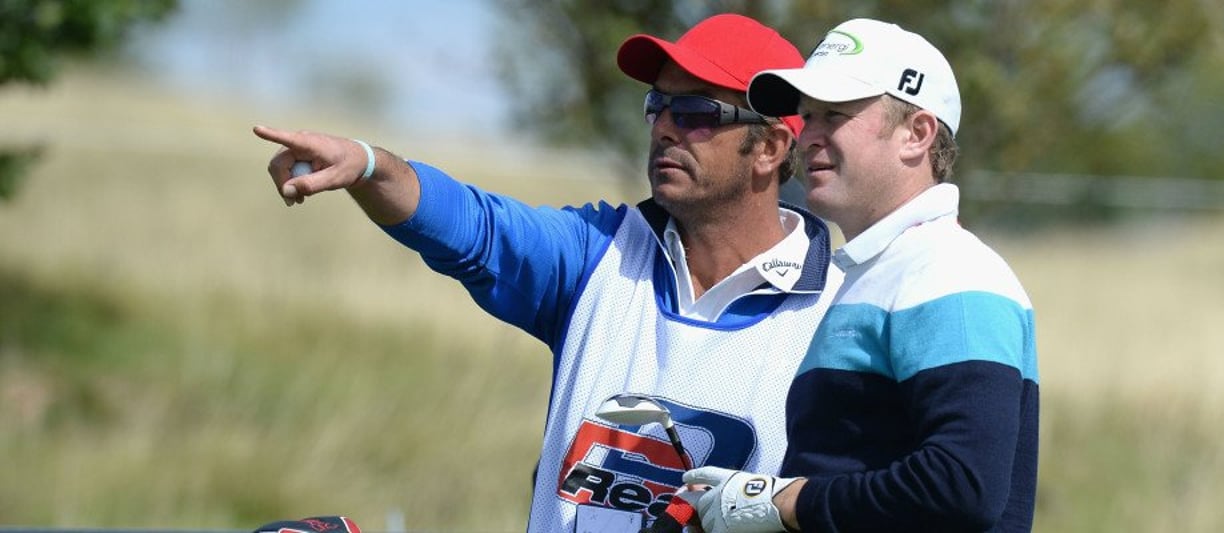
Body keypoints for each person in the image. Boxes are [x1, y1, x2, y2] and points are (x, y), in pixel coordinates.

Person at [252, 13, 844, 533]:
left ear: (770, 148)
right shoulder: (597, 254)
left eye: (694, 113)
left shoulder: (842, 315)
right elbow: (474, 228)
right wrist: (369, 166)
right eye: (657, 106)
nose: (664, 127)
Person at [676, 18, 1040, 532]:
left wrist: (784, 502)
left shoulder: (950, 271)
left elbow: (963, 485)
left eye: (834, 114)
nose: (808, 136)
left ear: (916, 134)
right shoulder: (881, 272)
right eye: (807, 116)